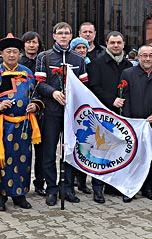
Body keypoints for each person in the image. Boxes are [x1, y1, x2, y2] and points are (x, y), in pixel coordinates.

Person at [0, 33, 43, 211]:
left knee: (22, 160)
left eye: (15, 52)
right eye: (8, 52)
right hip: (1, 124)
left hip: (23, 126)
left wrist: (35, 105)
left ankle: (19, 194)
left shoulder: (27, 73)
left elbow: (36, 95)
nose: (12, 55)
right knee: (0, 160)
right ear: (2, 53)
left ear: (20, 54)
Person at [35, 22, 88, 206]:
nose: (64, 36)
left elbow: (84, 87)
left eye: (67, 33)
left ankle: (67, 189)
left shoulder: (79, 59)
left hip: (71, 114)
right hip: (51, 112)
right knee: (49, 152)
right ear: (54, 36)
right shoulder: (45, 57)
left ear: (71, 36)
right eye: (60, 33)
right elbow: (39, 84)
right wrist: (53, 92)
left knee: (70, 151)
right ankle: (51, 189)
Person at [88, 31, 133, 203]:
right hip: (103, 114)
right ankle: (98, 188)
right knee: (101, 151)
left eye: (119, 42)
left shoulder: (129, 65)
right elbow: (94, 87)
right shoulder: (97, 64)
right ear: (106, 43)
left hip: (123, 116)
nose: (116, 45)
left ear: (123, 44)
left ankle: (115, 186)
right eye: (112, 42)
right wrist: (111, 100)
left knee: (120, 151)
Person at [121, 45, 152, 202]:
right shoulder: (128, 74)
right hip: (132, 125)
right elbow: (123, 100)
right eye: (144, 56)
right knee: (132, 157)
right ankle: (130, 189)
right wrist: (128, 120)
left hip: (151, 125)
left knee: (151, 157)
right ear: (138, 57)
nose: (147, 59)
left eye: (150, 56)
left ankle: (148, 187)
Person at [19, 31, 46, 196]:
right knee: (22, 149)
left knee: (41, 151)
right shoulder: (19, 63)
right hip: (22, 113)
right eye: (28, 42)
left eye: (34, 42)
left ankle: (39, 183)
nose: (31, 45)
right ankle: (22, 183)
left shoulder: (43, 61)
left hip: (41, 111)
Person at [69, 37, 93, 195]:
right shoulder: (72, 64)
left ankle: (83, 181)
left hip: (86, 111)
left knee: (85, 146)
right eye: (78, 48)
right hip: (72, 111)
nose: (82, 51)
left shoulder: (92, 64)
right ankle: (71, 181)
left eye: (84, 48)